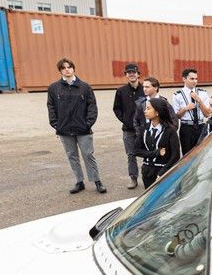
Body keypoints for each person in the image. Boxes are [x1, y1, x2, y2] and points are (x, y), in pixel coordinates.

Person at [46, 57, 105, 194]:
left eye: (69, 67)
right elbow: (51, 107)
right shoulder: (54, 88)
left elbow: (92, 106)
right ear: (60, 71)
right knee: (72, 155)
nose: (67, 70)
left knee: (88, 154)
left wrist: (88, 123)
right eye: (63, 68)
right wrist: (56, 124)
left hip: (83, 129)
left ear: (73, 68)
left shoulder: (84, 87)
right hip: (64, 130)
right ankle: (79, 182)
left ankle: (97, 181)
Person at [136, 96, 182, 189]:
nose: (145, 111)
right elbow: (136, 150)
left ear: (157, 112)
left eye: (148, 109)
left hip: (164, 171)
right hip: (147, 171)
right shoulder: (143, 128)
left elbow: (175, 156)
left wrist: (162, 173)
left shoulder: (170, 131)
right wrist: (156, 153)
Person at [113, 62, 144, 189]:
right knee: (131, 154)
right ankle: (133, 178)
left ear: (138, 74)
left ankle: (150, 177)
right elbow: (117, 109)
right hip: (128, 130)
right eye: (129, 72)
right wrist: (125, 120)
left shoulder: (145, 89)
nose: (132, 74)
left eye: (134, 72)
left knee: (149, 152)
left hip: (144, 129)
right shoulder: (121, 91)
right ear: (126, 75)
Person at [172, 67, 211, 155]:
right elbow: (177, 116)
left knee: (202, 153)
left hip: (201, 126)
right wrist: (185, 108)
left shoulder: (203, 93)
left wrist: (199, 100)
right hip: (187, 128)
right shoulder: (177, 95)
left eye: (196, 79)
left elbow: (207, 114)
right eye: (192, 79)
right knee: (187, 155)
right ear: (184, 79)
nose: (194, 81)